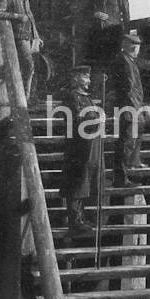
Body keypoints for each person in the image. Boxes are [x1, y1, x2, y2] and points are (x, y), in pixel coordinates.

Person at [59, 65, 99, 233]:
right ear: (75, 78)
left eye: (88, 77)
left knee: (85, 181)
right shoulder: (72, 98)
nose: (88, 81)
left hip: (89, 146)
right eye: (85, 77)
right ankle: (75, 220)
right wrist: (98, 119)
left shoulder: (86, 98)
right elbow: (78, 120)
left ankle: (80, 217)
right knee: (77, 182)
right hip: (78, 146)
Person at [0, 0, 42, 98]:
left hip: (29, 37)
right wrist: (17, 16)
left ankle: (26, 96)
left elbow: (31, 18)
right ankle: (24, 97)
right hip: (18, 36)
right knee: (28, 66)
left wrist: (37, 36)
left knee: (30, 67)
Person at [84, 0, 130, 87]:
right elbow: (86, 11)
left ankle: (112, 91)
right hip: (97, 34)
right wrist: (95, 14)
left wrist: (126, 35)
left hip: (114, 33)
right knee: (97, 63)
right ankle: (96, 90)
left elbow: (126, 15)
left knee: (113, 62)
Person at [110, 34, 146, 188]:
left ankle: (134, 162)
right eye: (136, 46)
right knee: (126, 142)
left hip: (134, 106)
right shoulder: (125, 62)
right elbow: (129, 87)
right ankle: (120, 178)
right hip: (129, 107)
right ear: (132, 47)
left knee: (135, 134)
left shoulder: (129, 61)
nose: (137, 49)